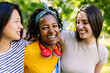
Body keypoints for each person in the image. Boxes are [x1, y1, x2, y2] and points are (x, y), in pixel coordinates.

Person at [60, 4, 108, 73]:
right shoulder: (66, 36)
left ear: (96, 23)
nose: (79, 26)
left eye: (85, 22)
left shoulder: (102, 52)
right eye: (77, 22)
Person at [24, 3, 63, 73]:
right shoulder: (28, 52)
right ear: (38, 31)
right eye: (45, 27)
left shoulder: (60, 48)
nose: (51, 31)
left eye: (54, 26)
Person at [0, 2, 29, 72]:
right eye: (16, 21)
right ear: (2, 21)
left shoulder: (20, 45)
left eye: (20, 22)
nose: (21, 26)